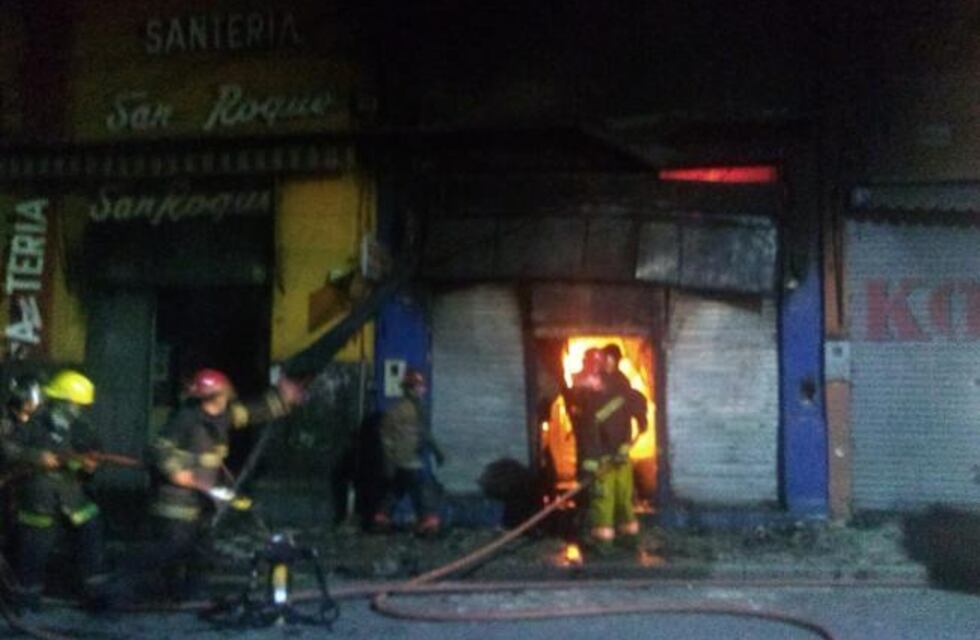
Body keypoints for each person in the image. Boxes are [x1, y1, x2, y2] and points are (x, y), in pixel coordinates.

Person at [96, 368, 303, 605]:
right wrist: (181, 474)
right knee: (168, 549)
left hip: (202, 501)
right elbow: (159, 449)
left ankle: (190, 597)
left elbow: (252, 412)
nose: (224, 399)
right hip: (175, 502)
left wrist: (282, 399)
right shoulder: (185, 419)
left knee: (201, 551)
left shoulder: (222, 416)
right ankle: (115, 589)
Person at [8, 369, 104, 609]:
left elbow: (91, 454)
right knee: (35, 548)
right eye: (74, 404)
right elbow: (8, 449)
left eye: (81, 406)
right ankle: (27, 599)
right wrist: (35, 456)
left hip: (72, 493)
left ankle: (91, 592)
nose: (77, 410)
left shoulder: (82, 428)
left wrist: (89, 467)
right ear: (60, 401)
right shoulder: (33, 424)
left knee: (91, 530)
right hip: (38, 495)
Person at [577, 344, 648, 553]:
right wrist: (591, 462)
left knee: (617, 497)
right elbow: (590, 429)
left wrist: (642, 418)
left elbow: (636, 401)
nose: (606, 364)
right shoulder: (602, 388)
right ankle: (615, 540)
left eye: (609, 359)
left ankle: (617, 539)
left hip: (614, 457)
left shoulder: (618, 386)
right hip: (609, 458)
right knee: (611, 498)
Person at [372, 369, 444, 536]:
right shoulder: (417, 409)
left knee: (398, 488)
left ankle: (381, 518)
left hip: (399, 459)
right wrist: (438, 452)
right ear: (412, 388)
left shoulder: (395, 409)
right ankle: (428, 521)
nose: (423, 390)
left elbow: (386, 436)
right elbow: (425, 434)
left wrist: (389, 460)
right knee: (423, 486)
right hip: (410, 459)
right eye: (420, 386)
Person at [0, 375, 43, 548]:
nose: (34, 403)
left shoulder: (35, 421)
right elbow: (7, 448)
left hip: (24, 478)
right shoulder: (4, 419)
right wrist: (33, 456)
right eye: (31, 398)